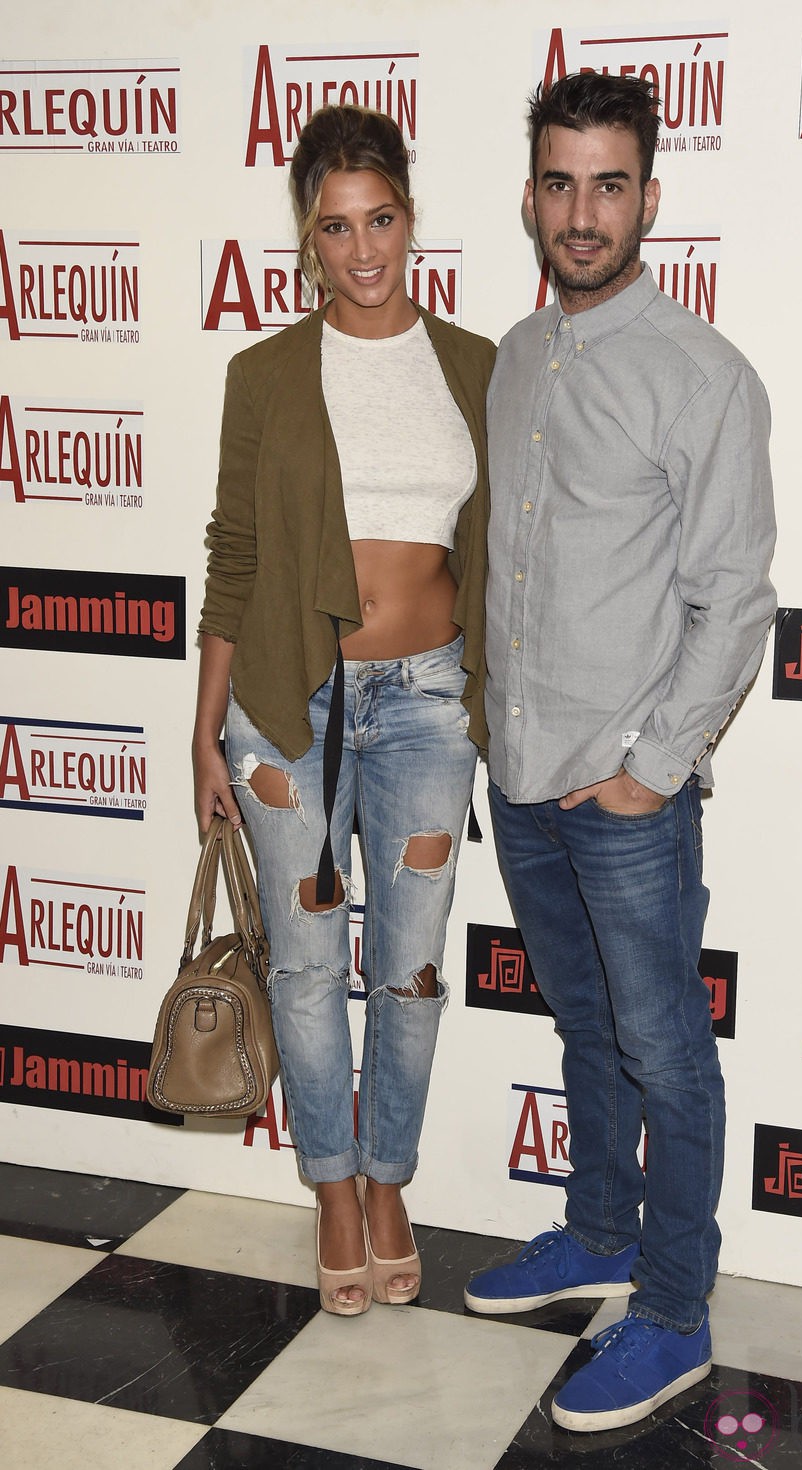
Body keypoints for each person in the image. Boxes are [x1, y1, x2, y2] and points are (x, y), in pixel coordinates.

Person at [464, 72, 776, 1432]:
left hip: (626, 794)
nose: (581, 212)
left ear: (650, 197)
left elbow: (734, 593)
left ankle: (673, 1306)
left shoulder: (703, 374)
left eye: (609, 184)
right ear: (530, 193)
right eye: (559, 182)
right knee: (587, 1023)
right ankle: (597, 1229)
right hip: (523, 775)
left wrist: (655, 762)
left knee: (666, 1047)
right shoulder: (519, 355)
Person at [193, 105, 494, 1316]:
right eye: (335, 227)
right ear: (306, 239)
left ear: (409, 220)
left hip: (428, 703)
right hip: (285, 705)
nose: (362, 249)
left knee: (409, 973)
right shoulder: (262, 374)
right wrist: (204, 730)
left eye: (380, 220)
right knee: (311, 967)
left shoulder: (476, 364)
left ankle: (389, 1180)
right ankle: (329, 1185)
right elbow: (232, 554)